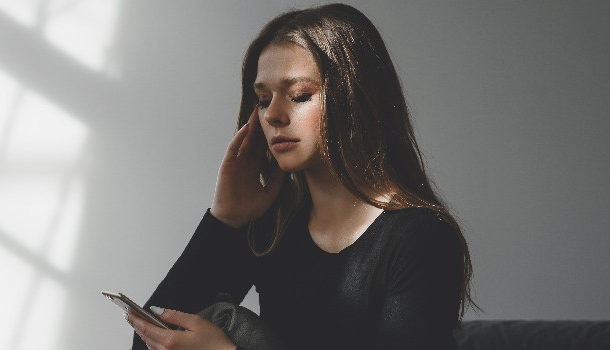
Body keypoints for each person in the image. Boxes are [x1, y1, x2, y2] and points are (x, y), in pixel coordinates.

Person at [125, 3, 476, 349]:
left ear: (354, 98)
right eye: (263, 99)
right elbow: (149, 342)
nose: (274, 114)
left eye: (299, 95)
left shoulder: (420, 238)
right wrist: (225, 219)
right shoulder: (273, 225)